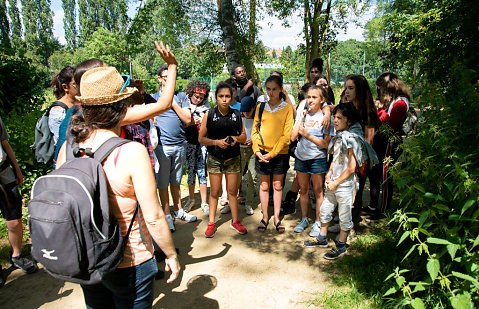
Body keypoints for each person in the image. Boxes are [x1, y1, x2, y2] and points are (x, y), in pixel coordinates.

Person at [56, 66, 180, 307]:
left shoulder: (68, 149)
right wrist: (171, 254)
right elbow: (153, 217)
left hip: (86, 257)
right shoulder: (131, 151)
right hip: (129, 259)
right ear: (122, 106)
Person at [303, 102, 378, 260]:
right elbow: (335, 160)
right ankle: (322, 238)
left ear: (349, 121)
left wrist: (336, 182)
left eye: (339, 118)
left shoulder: (351, 139)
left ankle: (341, 245)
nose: (335, 121)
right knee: (325, 210)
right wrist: (329, 175)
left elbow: (351, 168)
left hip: (345, 185)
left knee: (344, 216)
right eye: (335, 117)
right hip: (333, 183)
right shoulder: (338, 137)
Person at [198, 82, 247, 238]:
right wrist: (216, 142)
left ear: (231, 98)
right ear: (215, 97)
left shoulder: (237, 115)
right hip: (214, 158)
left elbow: (244, 136)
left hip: (233, 157)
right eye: (221, 96)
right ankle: (211, 223)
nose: (224, 99)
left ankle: (235, 221)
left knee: (232, 192)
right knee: (215, 192)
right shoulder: (209, 114)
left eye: (227, 96)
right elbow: (201, 138)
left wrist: (235, 139)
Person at [152, 64, 196, 232]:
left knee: (176, 181)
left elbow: (187, 119)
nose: (169, 80)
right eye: (166, 77)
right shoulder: (153, 97)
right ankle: (167, 215)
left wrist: (172, 102)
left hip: (180, 145)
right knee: (162, 183)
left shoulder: (182, 96)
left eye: (172, 77)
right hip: (162, 147)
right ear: (159, 79)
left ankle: (178, 211)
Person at [252, 75, 293, 233]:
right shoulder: (260, 107)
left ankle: (276, 217)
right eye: (268, 89)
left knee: (277, 185)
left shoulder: (287, 108)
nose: (271, 92)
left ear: (281, 89)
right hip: (261, 153)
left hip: (279, 154)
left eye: (274, 89)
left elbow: (286, 135)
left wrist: (272, 153)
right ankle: (264, 217)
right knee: (264, 186)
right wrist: (256, 150)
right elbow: (255, 131)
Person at [367, 72, 411, 221]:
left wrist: (379, 109)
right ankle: (375, 206)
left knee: (386, 176)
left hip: (391, 142)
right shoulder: (395, 100)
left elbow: (390, 125)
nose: (379, 92)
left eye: (380, 88)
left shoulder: (400, 103)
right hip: (385, 141)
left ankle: (384, 210)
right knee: (377, 173)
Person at [291, 86, 334, 236]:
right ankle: (304, 219)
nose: (310, 100)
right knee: (303, 190)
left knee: (318, 191)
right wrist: (301, 118)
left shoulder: (326, 117)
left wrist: (308, 135)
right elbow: (292, 137)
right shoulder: (304, 114)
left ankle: (318, 221)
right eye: (308, 97)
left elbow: (326, 144)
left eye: (314, 97)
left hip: (317, 159)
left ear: (322, 100)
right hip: (301, 157)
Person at [0, 116, 38, 287]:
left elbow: (5, 144)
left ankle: (16, 255)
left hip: (5, 175)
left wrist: (17, 169)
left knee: (14, 221)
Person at [183, 80, 210, 215]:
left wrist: (203, 120)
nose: (198, 100)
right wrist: (191, 121)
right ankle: (191, 199)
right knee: (191, 172)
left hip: (202, 145)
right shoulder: (185, 107)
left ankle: (204, 202)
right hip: (189, 143)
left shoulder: (207, 109)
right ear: (190, 94)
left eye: (201, 98)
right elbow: (183, 123)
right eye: (196, 97)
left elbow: (210, 123)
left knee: (202, 172)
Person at [237, 96, 258, 215]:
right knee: (236, 178)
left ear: (253, 108)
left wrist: (253, 141)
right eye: (243, 111)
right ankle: (232, 202)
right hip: (240, 150)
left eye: (248, 111)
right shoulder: (239, 119)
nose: (245, 113)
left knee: (252, 177)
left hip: (252, 151)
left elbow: (261, 136)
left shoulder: (257, 120)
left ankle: (249, 203)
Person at [49, 66, 78, 146]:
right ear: (65, 87)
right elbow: (61, 139)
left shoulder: (78, 103)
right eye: (75, 84)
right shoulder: (57, 111)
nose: (79, 87)